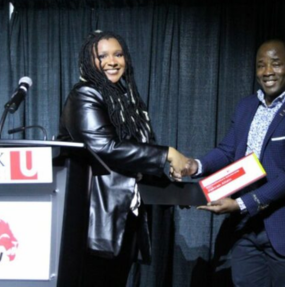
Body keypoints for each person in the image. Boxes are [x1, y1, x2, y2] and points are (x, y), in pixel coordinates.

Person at [180, 39, 285, 287]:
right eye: (261, 65)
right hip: (245, 228)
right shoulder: (246, 106)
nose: (267, 71)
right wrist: (196, 165)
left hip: (284, 226)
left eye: (276, 64)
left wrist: (240, 204)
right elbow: (228, 151)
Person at [58, 30, 188, 287]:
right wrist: (167, 154)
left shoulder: (127, 99)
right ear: (88, 61)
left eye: (118, 54)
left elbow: (138, 154)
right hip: (93, 219)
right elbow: (104, 147)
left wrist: (173, 181)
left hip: (125, 216)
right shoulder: (84, 94)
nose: (112, 61)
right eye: (102, 56)